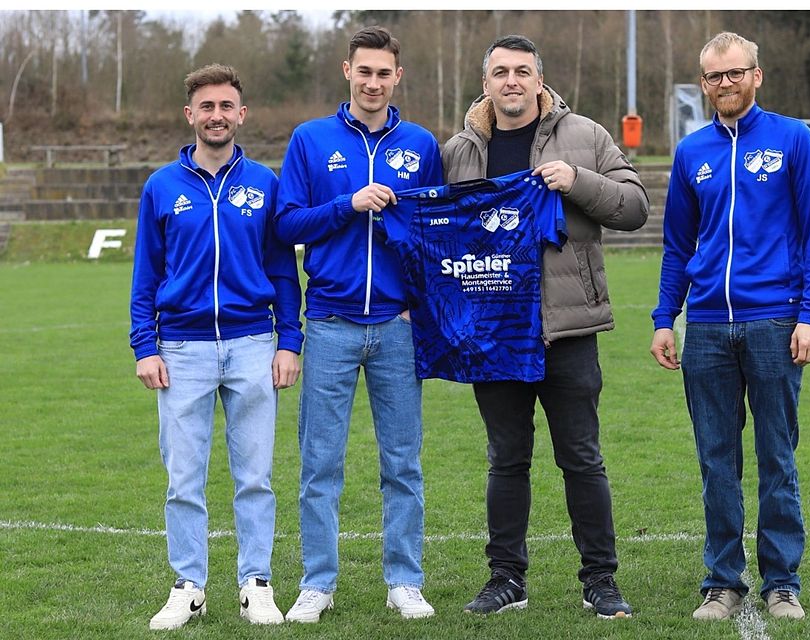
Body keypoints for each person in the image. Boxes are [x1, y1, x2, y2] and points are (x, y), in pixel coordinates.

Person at [443, 34, 648, 619]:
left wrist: (577, 180)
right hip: (494, 334)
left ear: (539, 80)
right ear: (486, 83)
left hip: (568, 328)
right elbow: (440, 235)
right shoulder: (459, 151)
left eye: (522, 71)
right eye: (500, 72)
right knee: (506, 459)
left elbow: (635, 207)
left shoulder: (585, 135)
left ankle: (600, 579)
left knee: (581, 458)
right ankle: (506, 577)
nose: (511, 81)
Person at [649, 32, 810, 621]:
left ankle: (782, 583)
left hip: (775, 322)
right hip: (704, 327)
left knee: (777, 457)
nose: (724, 84)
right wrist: (664, 319)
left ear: (756, 75)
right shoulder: (690, 152)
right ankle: (723, 582)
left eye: (734, 73)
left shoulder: (793, 139)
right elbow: (677, 246)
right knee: (716, 460)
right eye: (713, 76)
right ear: (703, 83)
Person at [275, 26, 442, 622]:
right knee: (320, 464)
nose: (373, 83)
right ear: (347, 71)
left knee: (403, 463)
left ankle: (405, 581)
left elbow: (434, 234)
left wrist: (420, 308)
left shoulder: (421, 144)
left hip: (397, 326)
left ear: (398, 77)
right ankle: (317, 583)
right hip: (329, 323)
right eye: (364, 71)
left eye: (383, 73)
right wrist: (348, 204)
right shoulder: (310, 139)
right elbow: (286, 224)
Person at [129, 63, 303, 630]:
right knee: (184, 480)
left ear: (241, 114)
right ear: (190, 115)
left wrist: (290, 341)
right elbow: (146, 275)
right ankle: (189, 586)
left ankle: (256, 584)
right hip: (182, 349)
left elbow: (282, 270)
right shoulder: (161, 186)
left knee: (255, 477)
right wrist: (144, 346)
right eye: (207, 106)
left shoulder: (265, 184)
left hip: (254, 343)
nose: (217, 115)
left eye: (226, 106)